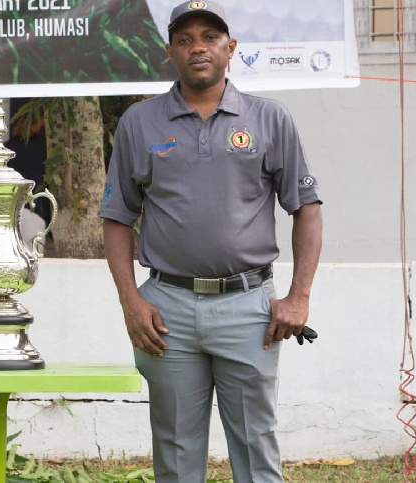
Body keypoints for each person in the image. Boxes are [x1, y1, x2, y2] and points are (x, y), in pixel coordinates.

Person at [99, 1, 323, 480]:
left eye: (210, 37)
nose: (197, 47)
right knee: (176, 447)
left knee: (254, 442)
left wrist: (299, 296)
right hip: (167, 310)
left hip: (248, 308)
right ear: (170, 52)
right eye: (184, 39)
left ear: (231, 48)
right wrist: (130, 301)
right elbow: (117, 218)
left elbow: (306, 207)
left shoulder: (268, 119)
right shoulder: (140, 123)